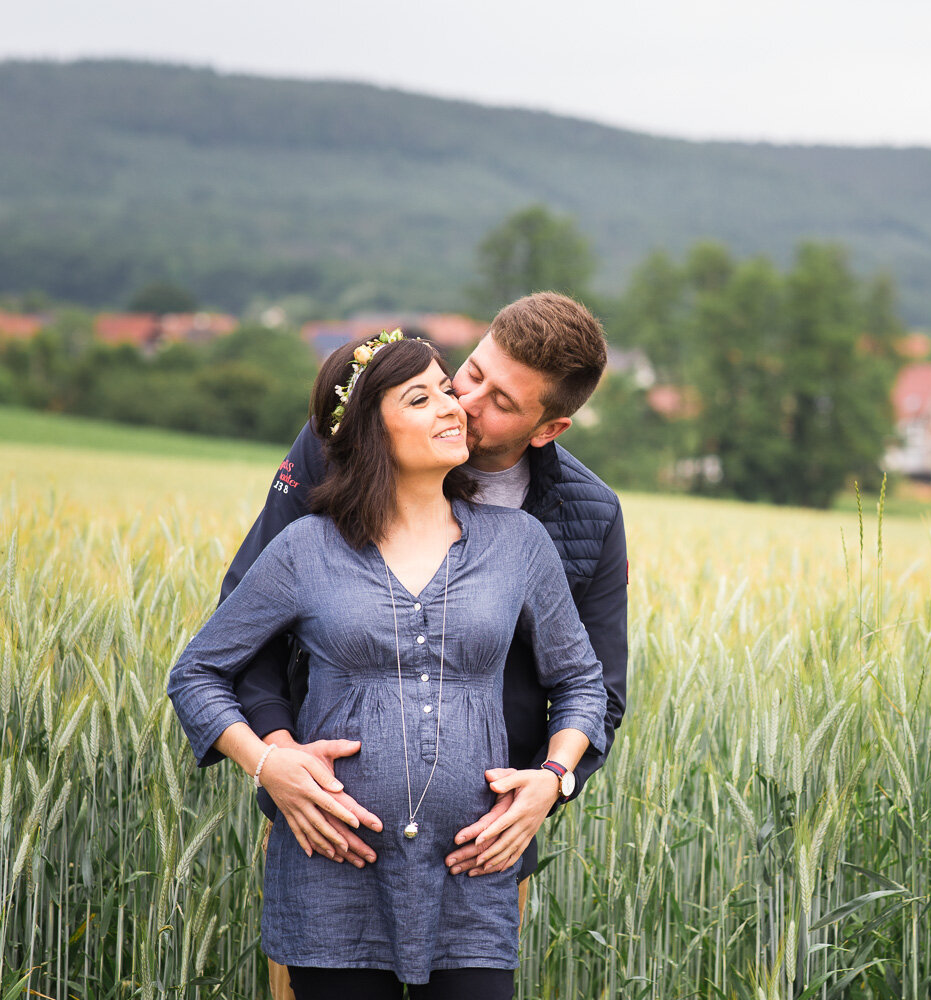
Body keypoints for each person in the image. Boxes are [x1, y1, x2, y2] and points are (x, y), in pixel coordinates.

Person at [168, 331, 607, 997]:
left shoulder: (519, 544)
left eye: (445, 389)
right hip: (331, 876)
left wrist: (553, 775)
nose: (454, 405)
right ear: (372, 431)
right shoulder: (305, 549)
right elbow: (198, 672)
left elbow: (582, 681)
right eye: (421, 396)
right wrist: (266, 760)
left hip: (473, 876)